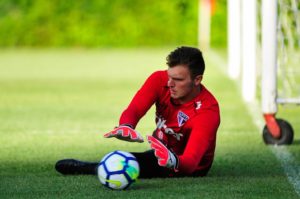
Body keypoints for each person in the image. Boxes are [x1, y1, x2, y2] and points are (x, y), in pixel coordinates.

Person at [55, 46, 220, 178]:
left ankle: (88, 168)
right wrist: (126, 125)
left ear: (197, 80)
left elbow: (191, 162)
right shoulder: (159, 80)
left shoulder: (207, 111)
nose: (170, 83)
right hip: (160, 152)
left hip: (189, 167)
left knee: (122, 162)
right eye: (170, 76)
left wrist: (173, 160)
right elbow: (134, 109)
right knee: (130, 160)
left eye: (178, 80)